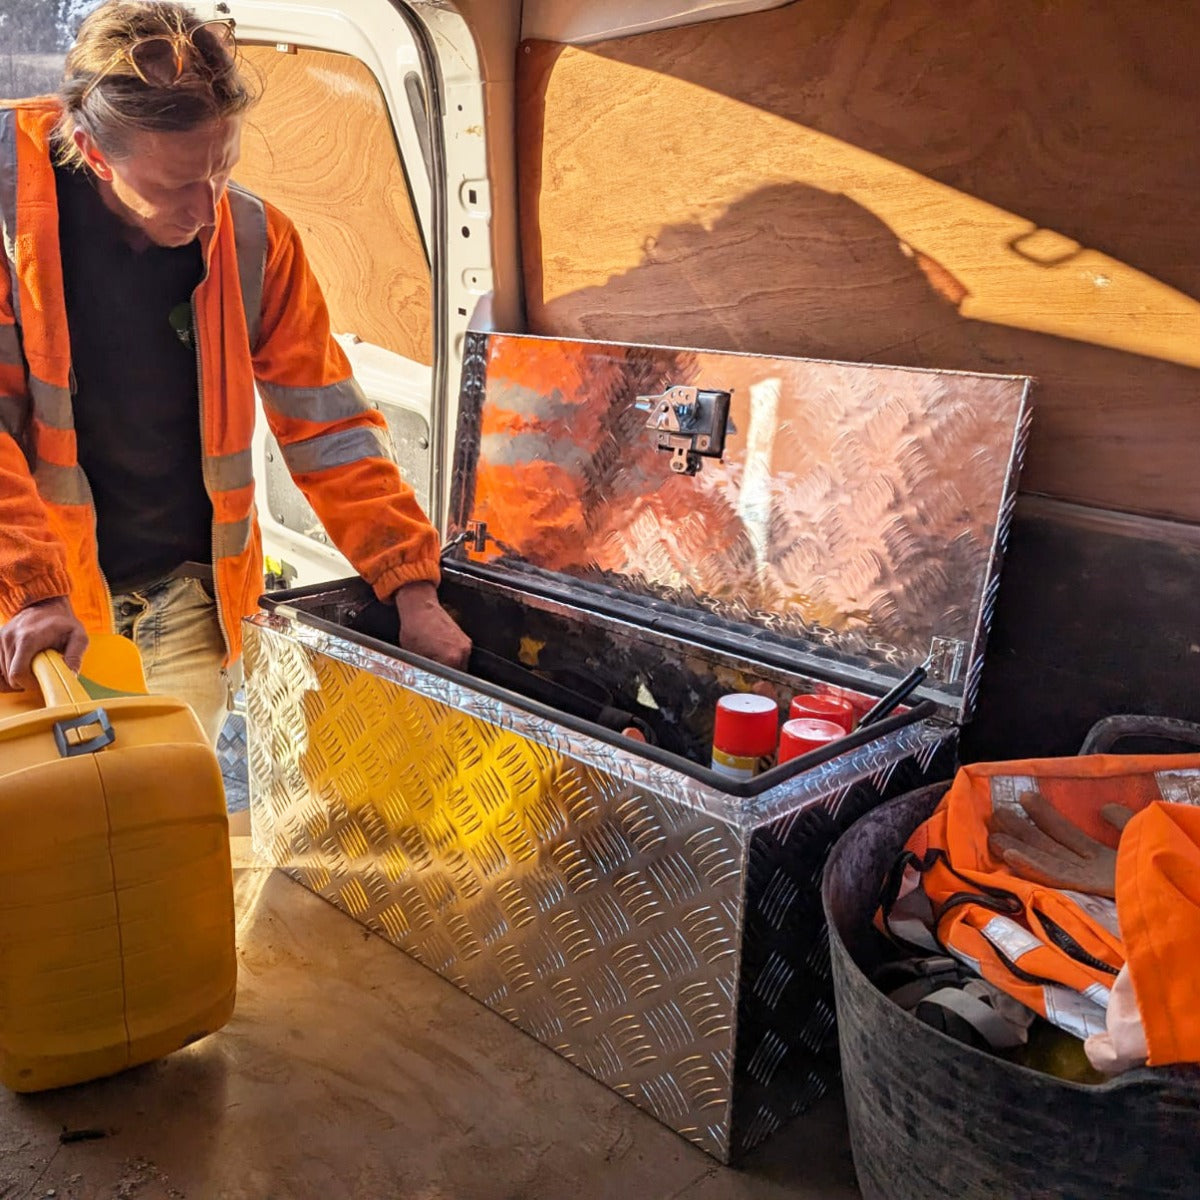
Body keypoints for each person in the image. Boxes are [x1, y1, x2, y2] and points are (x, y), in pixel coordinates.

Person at [0, 1, 470, 742]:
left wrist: (410, 584)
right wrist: (28, 590)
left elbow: (330, 428)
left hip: (194, 603)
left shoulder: (254, 239)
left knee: (174, 819)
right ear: (93, 153)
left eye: (221, 170)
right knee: (72, 838)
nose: (207, 206)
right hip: (50, 612)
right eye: (177, 185)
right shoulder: (8, 235)